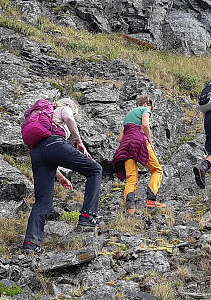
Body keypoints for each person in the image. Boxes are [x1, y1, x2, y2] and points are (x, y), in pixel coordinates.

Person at [22, 98, 103, 253]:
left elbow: (45, 153)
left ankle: (31, 244)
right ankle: (87, 216)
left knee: (42, 201)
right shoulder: (62, 108)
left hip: (37, 153)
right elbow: (68, 118)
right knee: (95, 170)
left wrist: (59, 176)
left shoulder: (42, 116)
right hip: (55, 144)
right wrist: (79, 141)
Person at [112, 95, 165, 213]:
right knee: (157, 170)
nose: (150, 111)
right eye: (150, 108)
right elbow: (145, 125)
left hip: (126, 145)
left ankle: (129, 207)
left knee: (131, 177)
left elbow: (120, 138)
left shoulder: (127, 116)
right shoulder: (144, 109)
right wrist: (150, 141)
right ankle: (151, 200)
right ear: (146, 104)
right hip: (139, 141)